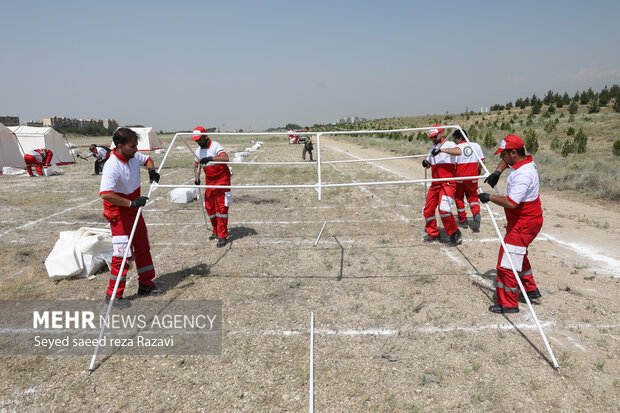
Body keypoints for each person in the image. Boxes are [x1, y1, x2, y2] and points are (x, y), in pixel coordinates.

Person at [478, 134, 543, 314]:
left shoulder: (524, 174)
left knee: (506, 261)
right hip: (521, 220)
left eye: (503, 154)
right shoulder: (521, 161)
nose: (501, 157)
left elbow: (512, 202)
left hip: (525, 223)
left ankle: (508, 303)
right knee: (518, 255)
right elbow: (506, 163)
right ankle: (530, 290)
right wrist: (497, 173)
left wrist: (488, 197)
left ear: (514, 152)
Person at [99, 128, 161, 302]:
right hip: (119, 214)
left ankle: (146, 284)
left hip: (135, 211)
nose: (136, 149)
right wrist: (131, 203)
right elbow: (106, 194)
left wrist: (151, 171)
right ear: (120, 146)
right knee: (122, 255)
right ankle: (114, 295)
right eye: (132, 146)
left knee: (142, 247)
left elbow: (148, 159)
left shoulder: (133, 157)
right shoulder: (112, 166)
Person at [421, 125, 463, 245]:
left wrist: (441, 150)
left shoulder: (449, 145)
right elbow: (428, 163)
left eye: (435, 136)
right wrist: (425, 163)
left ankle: (455, 234)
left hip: (448, 183)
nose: (433, 139)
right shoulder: (432, 149)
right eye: (432, 137)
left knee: (444, 209)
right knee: (428, 210)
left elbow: (458, 152)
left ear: (442, 134)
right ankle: (433, 233)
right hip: (436, 183)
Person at [192, 126, 232, 248]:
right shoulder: (198, 151)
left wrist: (210, 158)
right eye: (196, 140)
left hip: (222, 178)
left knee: (221, 208)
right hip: (209, 180)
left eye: (200, 139)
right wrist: (197, 177)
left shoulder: (215, 146)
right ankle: (215, 231)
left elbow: (226, 158)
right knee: (209, 206)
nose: (198, 142)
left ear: (205, 136)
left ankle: (222, 235)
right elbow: (196, 166)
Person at [453, 129, 485, 232]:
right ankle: (476, 214)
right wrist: (478, 170)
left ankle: (462, 220)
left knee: (459, 198)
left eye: (455, 139)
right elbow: (482, 161)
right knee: (473, 197)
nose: (455, 141)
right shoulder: (476, 145)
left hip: (460, 177)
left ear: (460, 138)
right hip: (473, 177)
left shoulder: (457, 148)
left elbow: (454, 164)